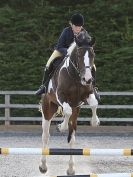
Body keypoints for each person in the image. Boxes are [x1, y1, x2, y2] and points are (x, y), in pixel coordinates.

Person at [35, 13, 100, 101]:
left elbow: (88, 46)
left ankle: (94, 88)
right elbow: (60, 46)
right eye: (76, 26)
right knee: (49, 63)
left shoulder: (84, 33)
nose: (78, 28)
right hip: (62, 51)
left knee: (93, 67)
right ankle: (44, 86)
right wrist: (68, 52)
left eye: (80, 26)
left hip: (78, 56)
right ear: (71, 24)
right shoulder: (66, 31)